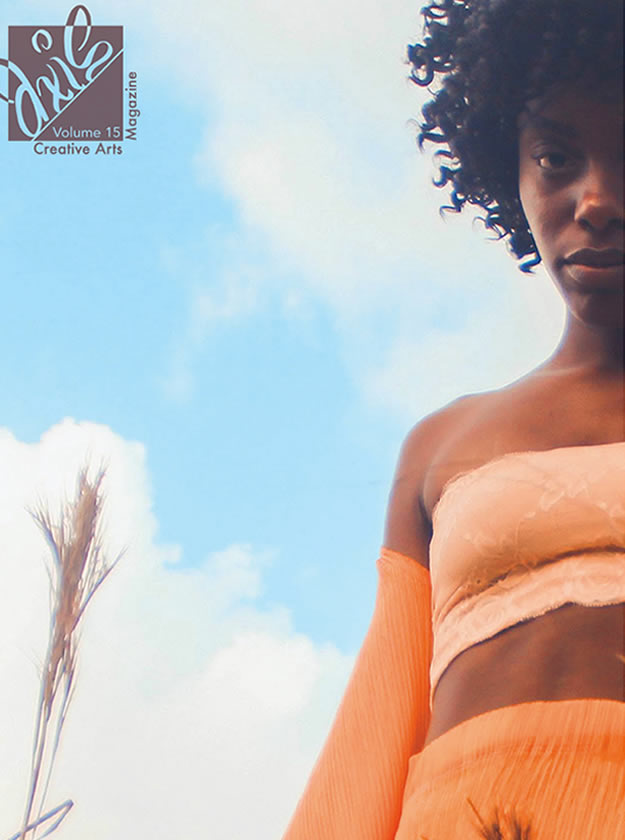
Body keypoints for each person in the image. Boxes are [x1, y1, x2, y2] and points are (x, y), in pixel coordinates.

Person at [281, 1, 624, 837]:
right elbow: (380, 719)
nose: (597, 199)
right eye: (555, 156)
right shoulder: (445, 444)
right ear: (504, 172)